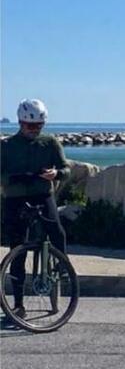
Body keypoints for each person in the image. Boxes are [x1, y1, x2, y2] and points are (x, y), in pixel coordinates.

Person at [1, 99, 70, 320]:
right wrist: (15, 178)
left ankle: (62, 269)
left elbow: (66, 169)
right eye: (30, 126)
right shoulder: (7, 145)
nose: (34, 129)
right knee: (17, 248)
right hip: (16, 199)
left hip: (42, 195)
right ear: (20, 123)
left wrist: (56, 174)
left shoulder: (50, 143)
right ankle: (18, 304)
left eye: (39, 125)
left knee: (57, 232)